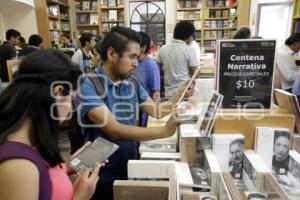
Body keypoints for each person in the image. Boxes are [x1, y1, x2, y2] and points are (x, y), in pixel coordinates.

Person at [77, 26, 193, 200]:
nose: (136, 63)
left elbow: (157, 111)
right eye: (132, 57)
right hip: (100, 178)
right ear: (111, 54)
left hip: (129, 166)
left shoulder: (131, 82)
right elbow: (114, 130)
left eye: (137, 57)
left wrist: (179, 94)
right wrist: (164, 131)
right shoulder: (89, 85)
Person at [0, 49, 105, 199]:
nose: (71, 109)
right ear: (57, 92)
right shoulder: (18, 166)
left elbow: (44, 177)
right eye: (72, 100)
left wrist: (67, 167)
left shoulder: (32, 141)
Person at [157, 21, 199, 99]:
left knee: (170, 111)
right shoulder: (190, 50)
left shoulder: (162, 50)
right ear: (190, 36)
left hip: (168, 95)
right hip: (185, 94)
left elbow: (157, 71)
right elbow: (195, 74)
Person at [134, 31, 160, 127]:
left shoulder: (150, 65)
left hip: (145, 113)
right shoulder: (134, 62)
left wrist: (153, 117)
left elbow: (156, 92)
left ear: (143, 48)